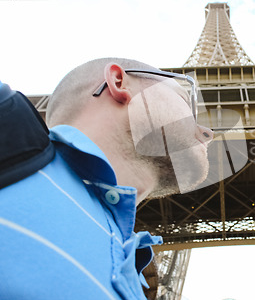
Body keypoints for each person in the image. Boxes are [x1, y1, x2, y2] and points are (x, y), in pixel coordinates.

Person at [0, 58, 213, 300]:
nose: (207, 132)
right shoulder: (8, 131)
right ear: (119, 82)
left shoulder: (132, 260)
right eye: (188, 101)